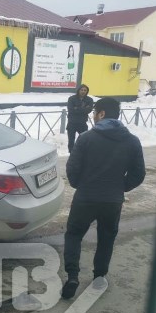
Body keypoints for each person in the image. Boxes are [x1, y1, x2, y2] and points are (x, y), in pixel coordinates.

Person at [61, 97, 145, 299]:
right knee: (106, 238)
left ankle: (72, 276)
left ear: (102, 114)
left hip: (85, 198)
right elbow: (138, 173)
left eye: (94, 113)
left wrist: (79, 185)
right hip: (112, 201)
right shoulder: (132, 141)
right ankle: (99, 277)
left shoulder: (87, 138)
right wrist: (120, 187)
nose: (92, 117)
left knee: (74, 235)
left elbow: (72, 169)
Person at [66, 84, 93, 153]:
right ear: (78, 90)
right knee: (71, 140)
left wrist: (77, 108)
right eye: (82, 90)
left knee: (84, 139)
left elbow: (89, 110)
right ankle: (71, 153)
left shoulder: (89, 100)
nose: (83, 91)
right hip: (72, 123)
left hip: (82, 123)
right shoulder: (72, 98)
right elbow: (71, 110)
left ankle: (82, 153)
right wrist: (83, 109)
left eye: (85, 90)